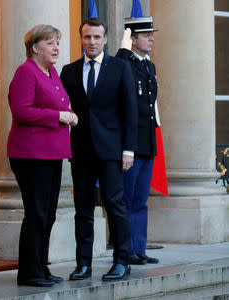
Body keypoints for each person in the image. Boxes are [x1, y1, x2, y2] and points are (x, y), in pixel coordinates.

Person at [60, 17, 138, 282]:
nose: (91, 42)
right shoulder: (68, 71)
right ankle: (83, 264)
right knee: (82, 209)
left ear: (105, 39)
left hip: (112, 150)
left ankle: (122, 261)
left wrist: (129, 150)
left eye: (96, 37)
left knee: (115, 204)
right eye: (87, 37)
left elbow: (131, 111)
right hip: (80, 151)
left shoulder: (120, 68)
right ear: (80, 39)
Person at [7, 24, 78, 287]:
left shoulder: (51, 73)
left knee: (47, 213)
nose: (56, 47)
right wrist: (58, 116)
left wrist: (67, 111)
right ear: (34, 47)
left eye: (57, 42)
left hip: (51, 153)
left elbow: (57, 102)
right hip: (30, 154)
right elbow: (22, 111)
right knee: (36, 212)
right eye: (50, 43)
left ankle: (41, 267)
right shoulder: (25, 72)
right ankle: (29, 273)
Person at [116, 17, 160, 265]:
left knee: (141, 199)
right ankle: (127, 249)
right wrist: (123, 49)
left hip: (147, 142)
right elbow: (118, 72)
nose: (151, 38)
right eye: (146, 34)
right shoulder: (124, 62)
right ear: (132, 39)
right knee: (127, 198)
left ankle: (139, 247)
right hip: (130, 144)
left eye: (151, 34)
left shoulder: (149, 66)